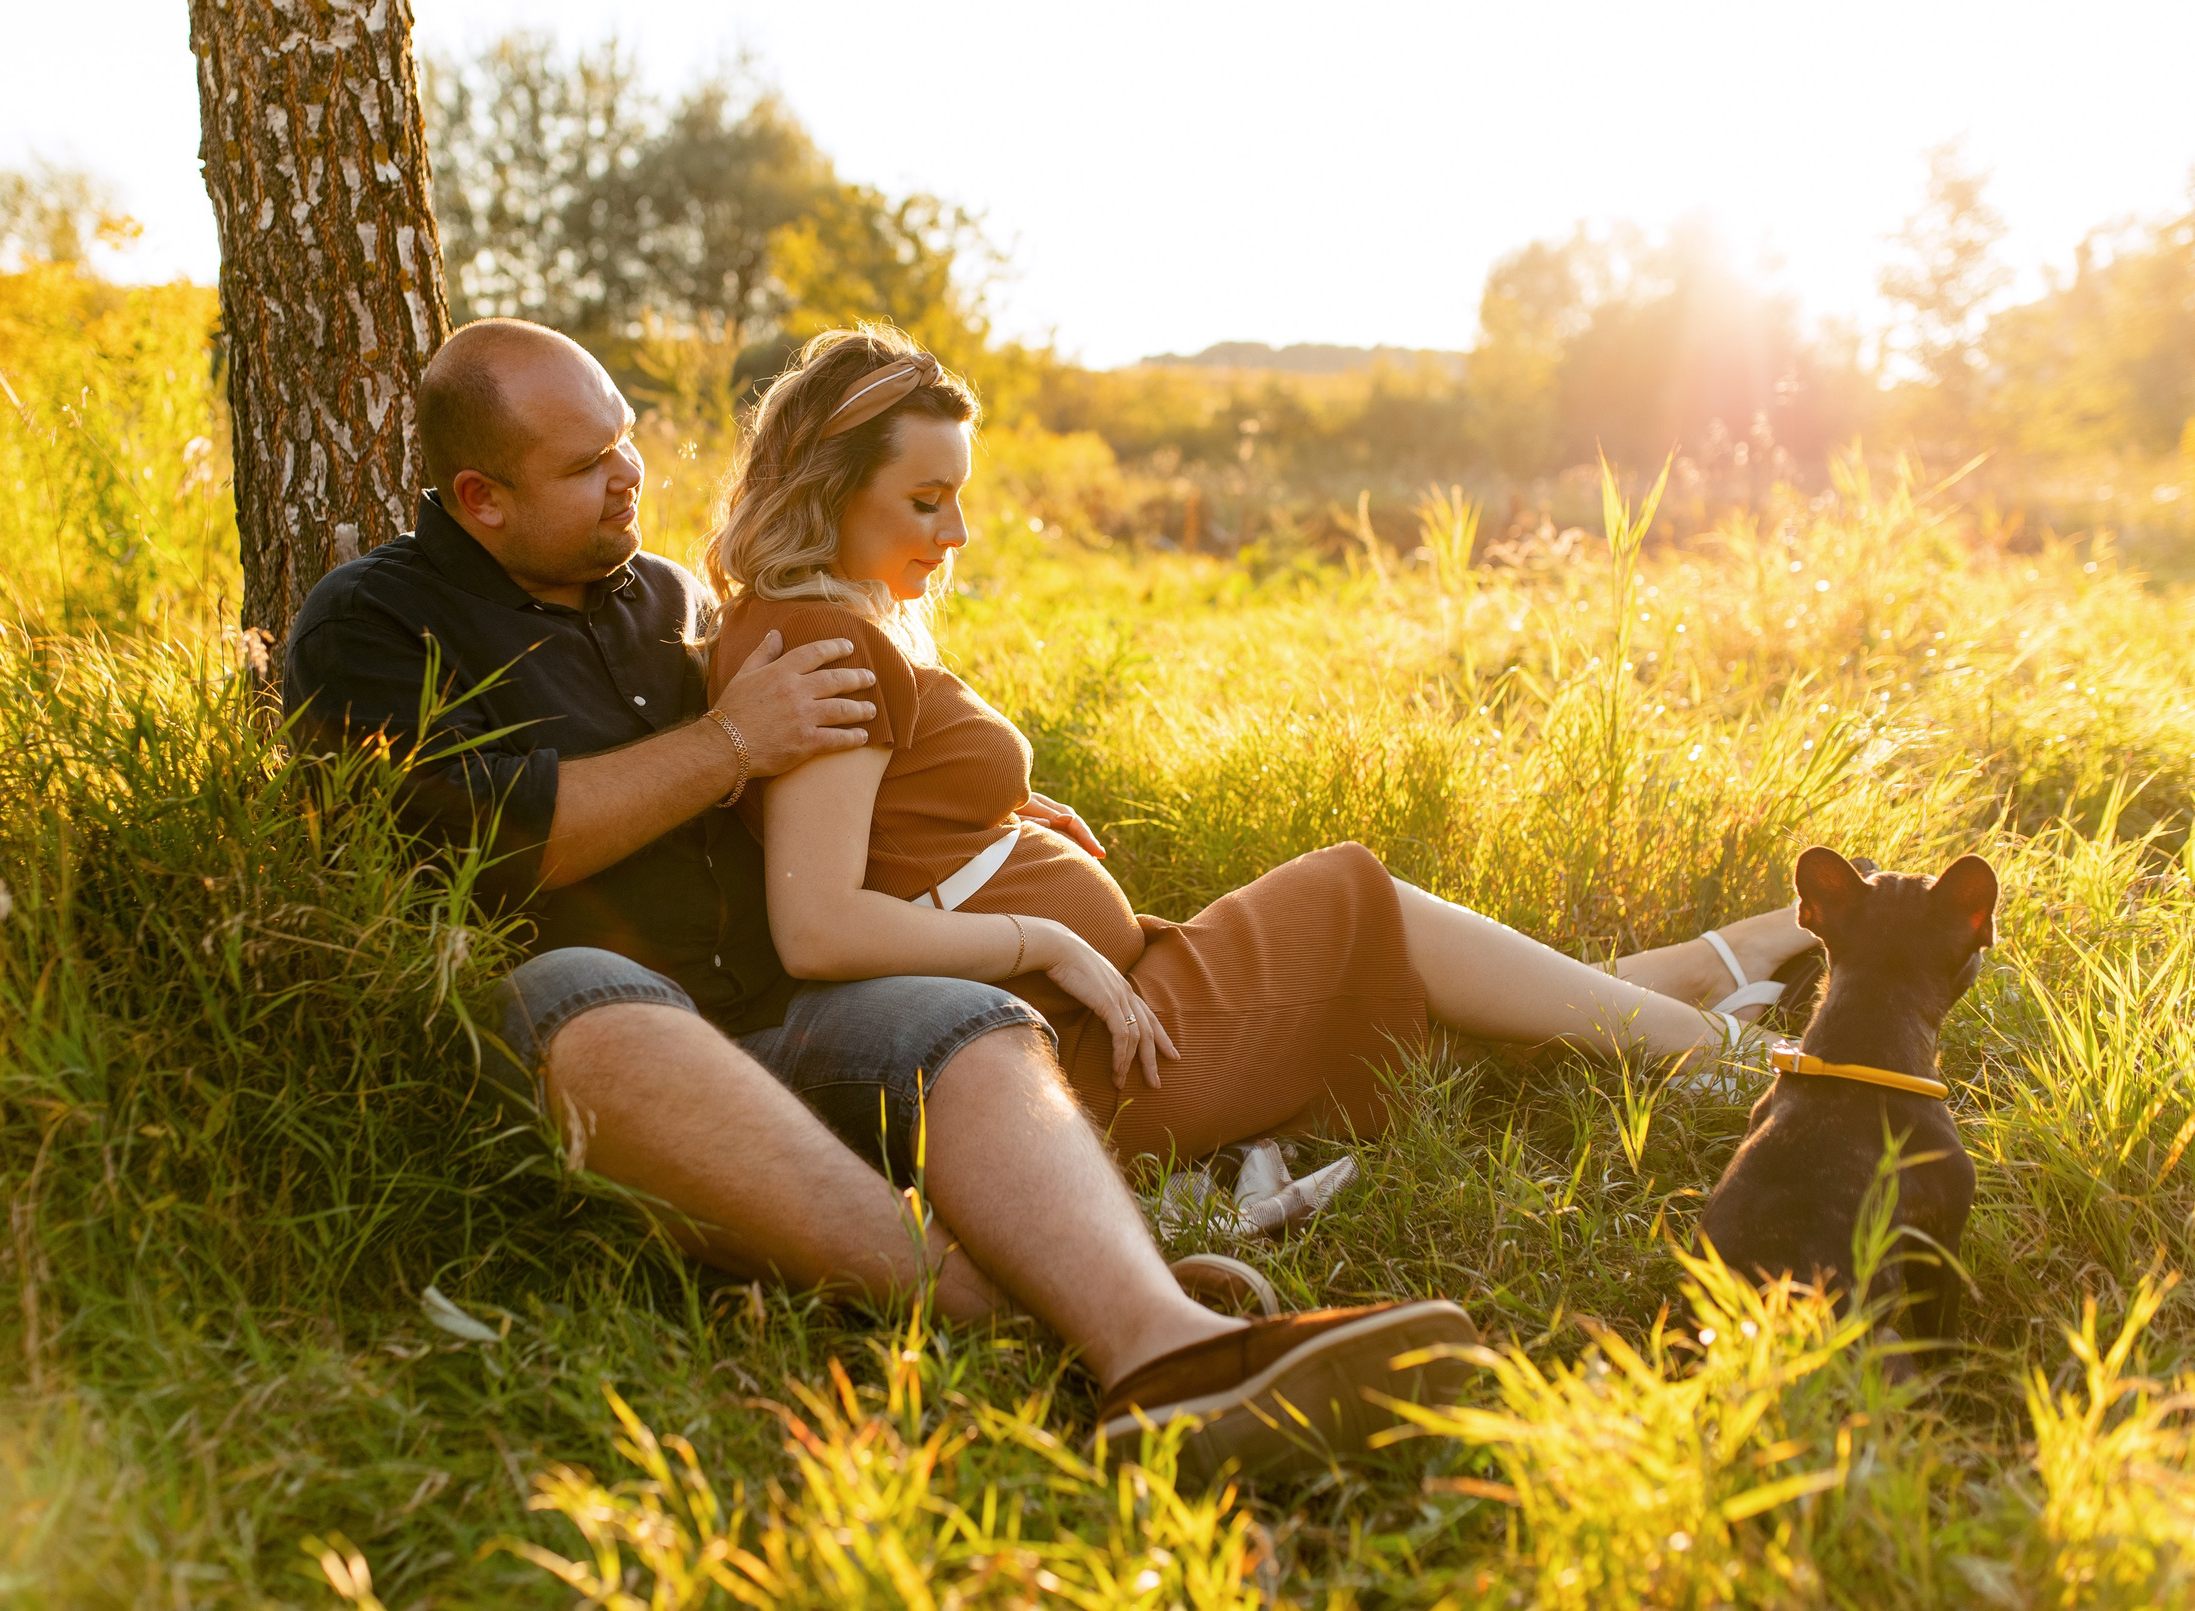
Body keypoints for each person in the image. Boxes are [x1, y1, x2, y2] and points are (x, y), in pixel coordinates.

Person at [279, 317, 1481, 1479]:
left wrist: (998, 819)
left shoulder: (658, 598)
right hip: (606, 1029)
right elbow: (487, 844)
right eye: (585, 465)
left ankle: (1171, 1356)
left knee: (965, 1021)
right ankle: (986, 1300)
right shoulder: (373, 622)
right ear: (481, 497)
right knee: (585, 993)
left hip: (791, 1004)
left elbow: (829, 800)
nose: (627, 476)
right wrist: (729, 743)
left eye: (626, 437)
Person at [700, 325, 1823, 1161]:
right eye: (928, 501)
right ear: (830, 489)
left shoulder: (798, 623)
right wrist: (1045, 936)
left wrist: (987, 822)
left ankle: (1685, 989)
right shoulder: (825, 646)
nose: (958, 533)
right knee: (1351, 896)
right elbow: (817, 925)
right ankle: (1713, 1053)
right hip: (1095, 1058)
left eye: (959, 499)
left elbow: (875, 826)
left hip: (1105, 1018)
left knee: (1402, 963)